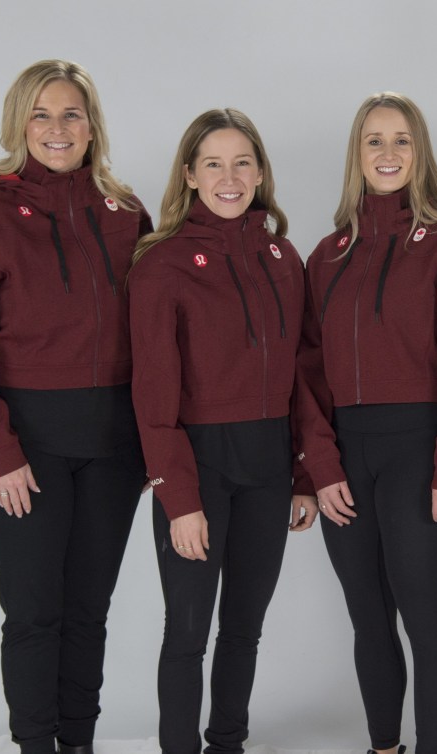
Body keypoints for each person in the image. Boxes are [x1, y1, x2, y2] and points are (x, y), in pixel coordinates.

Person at [0, 60, 149, 754]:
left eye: (71, 116)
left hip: (113, 448)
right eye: (42, 115)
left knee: (89, 612)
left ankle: (78, 744)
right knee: (34, 613)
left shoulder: (127, 216)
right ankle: (35, 744)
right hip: (22, 447)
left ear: (92, 127)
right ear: (19, 124)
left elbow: (157, 337)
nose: (57, 130)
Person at [293, 92, 437, 754]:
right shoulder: (326, 256)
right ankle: (385, 747)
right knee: (369, 619)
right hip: (347, 459)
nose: (387, 153)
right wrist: (319, 466)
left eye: (400, 140)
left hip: (421, 454)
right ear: (356, 154)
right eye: (373, 141)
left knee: (422, 615)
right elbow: (307, 375)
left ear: (419, 152)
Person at [128, 108, 313, 754]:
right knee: (187, 629)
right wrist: (178, 500)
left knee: (243, 627)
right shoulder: (161, 265)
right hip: (196, 464)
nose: (229, 177)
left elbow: (301, 376)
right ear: (190, 174)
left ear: (260, 173)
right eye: (213, 163)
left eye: (242, 163)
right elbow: (152, 398)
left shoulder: (283, 257)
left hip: (267, 467)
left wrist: (304, 475)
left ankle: (227, 743)